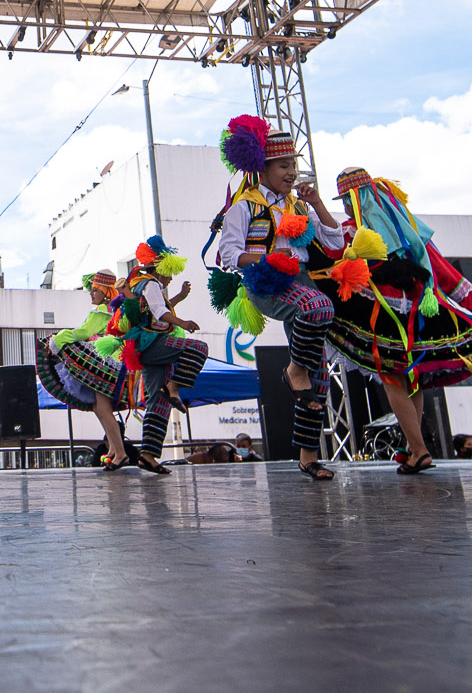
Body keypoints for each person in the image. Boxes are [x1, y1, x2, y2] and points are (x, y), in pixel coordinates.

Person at [322, 168, 472, 476]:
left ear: (360, 199)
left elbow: (332, 249)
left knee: (394, 377)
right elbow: (444, 272)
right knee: (411, 379)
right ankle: (412, 445)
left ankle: (419, 450)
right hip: (418, 314)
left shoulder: (358, 232)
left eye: (348, 200)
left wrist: (315, 206)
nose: (346, 207)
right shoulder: (407, 231)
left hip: (386, 315)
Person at [209, 118, 344, 481]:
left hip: (299, 279)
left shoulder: (298, 207)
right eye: (284, 165)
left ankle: (308, 457)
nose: (291, 172)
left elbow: (334, 244)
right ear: (264, 167)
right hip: (267, 281)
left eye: (294, 165)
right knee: (320, 307)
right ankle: (292, 370)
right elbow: (229, 254)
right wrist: (269, 260)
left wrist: (316, 202)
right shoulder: (244, 207)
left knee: (319, 380)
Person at [113, 240, 209, 475]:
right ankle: (174, 387)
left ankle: (147, 456)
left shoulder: (142, 284)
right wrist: (183, 323)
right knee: (199, 348)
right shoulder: (152, 284)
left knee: (157, 402)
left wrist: (179, 297)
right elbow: (160, 312)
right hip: (154, 344)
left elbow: (156, 309)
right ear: (162, 268)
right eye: (170, 273)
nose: (171, 278)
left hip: (144, 350)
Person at [36, 270, 135, 470]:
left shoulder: (103, 310)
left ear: (106, 291)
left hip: (107, 363)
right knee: (100, 408)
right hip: (113, 361)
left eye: (95, 290)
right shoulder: (113, 310)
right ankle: (115, 450)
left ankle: (120, 452)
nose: (91, 293)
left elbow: (84, 333)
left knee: (103, 409)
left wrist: (59, 337)